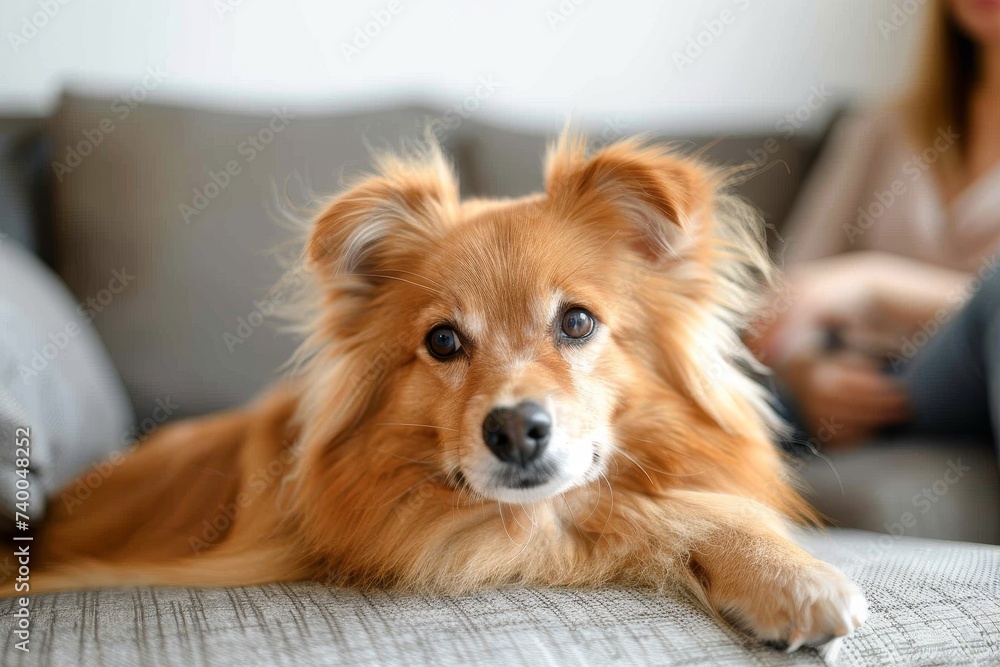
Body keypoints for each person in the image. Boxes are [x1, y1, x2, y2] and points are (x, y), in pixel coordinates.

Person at [754, 0, 1000, 451]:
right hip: (861, 375)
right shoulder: (882, 125)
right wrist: (807, 369)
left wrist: (874, 283)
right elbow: (792, 284)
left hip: (973, 383)